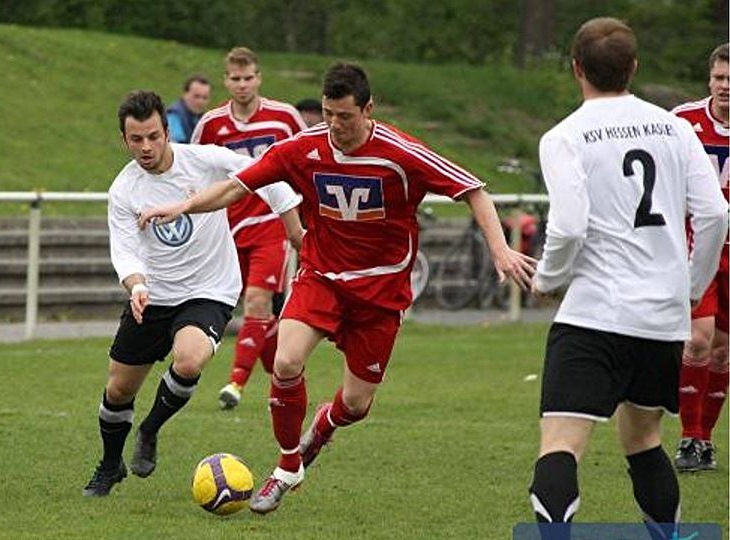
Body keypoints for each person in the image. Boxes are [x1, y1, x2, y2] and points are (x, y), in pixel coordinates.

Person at [139, 63, 535, 514]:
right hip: (321, 276)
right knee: (286, 361)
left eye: (345, 116)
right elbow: (236, 187)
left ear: (368, 109)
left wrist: (500, 250)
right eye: (328, 114)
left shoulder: (402, 153)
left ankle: (323, 427)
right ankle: (287, 466)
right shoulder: (303, 149)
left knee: (356, 404)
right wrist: (185, 205)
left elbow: (473, 191)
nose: (335, 125)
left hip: (381, 295)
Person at [527, 18, 727, 538]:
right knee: (643, 442)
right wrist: (687, 289)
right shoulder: (676, 127)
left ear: (576, 70)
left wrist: (548, 277)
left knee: (561, 443)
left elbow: (568, 225)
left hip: (594, 313)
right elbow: (715, 216)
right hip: (659, 318)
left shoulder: (564, 136)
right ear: (633, 68)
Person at [83, 90, 301, 497]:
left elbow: (268, 174)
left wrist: (293, 226)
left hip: (209, 289)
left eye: (153, 136)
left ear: (168, 132)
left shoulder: (206, 160)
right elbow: (125, 249)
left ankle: (149, 430)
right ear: (124, 140)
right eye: (136, 140)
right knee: (118, 389)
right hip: (153, 294)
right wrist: (138, 284)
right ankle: (110, 464)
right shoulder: (124, 189)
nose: (146, 147)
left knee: (190, 357)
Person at [191, 47, 308, 411]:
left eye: (248, 78)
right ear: (226, 81)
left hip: (272, 224)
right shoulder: (211, 124)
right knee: (253, 310)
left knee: (258, 301)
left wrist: (303, 209)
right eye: (235, 79)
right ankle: (284, 378)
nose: (242, 85)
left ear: (258, 78)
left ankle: (236, 383)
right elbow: (196, 171)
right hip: (227, 228)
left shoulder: (283, 118)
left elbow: (309, 155)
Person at [672, 42, 729, 473]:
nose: (725, 87)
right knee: (697, 339)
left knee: (724, 352)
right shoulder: (682, 122)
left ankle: (706, 440)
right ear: (709, 79)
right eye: (719, 78)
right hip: (698, 249)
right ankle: (688, 438)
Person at [166, 75, 211, 143]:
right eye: (196, 96)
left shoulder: (205, 117)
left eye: (205, 98)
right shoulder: (174, 115)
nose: (200, 101)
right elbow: (174, 146)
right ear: (185, 94)